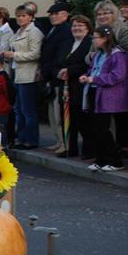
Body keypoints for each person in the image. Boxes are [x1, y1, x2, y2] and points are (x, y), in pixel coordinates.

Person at [80, 26, 126, 172]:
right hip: (94, 91)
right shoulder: (98, 54)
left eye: (95, 38)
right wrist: (87, 76)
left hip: (108, 95)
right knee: (96, 128)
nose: (93, 41)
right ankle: (100, 159)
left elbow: (118, 75)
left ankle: (116, 161)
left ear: (105, 38)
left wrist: (95, 79)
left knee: (103, 128)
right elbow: (93, 69)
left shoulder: (117, 55)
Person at [3, 5, 43, 149]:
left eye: (24, 16)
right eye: (18, 16)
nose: (20, 18)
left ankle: (31, 140)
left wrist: (14, 55)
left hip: (28, 75)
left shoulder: (34, 32)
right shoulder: (18, 32)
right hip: (17, 74)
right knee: (19, 109)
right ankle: (21, 137)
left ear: (31, 17)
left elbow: (35, 53)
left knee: (28, 110)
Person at [55, 15, 93, 159]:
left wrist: (69, 71)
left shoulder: (89, 42)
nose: (76, 28)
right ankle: (70, 148)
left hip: (80, 85)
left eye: (80, 25)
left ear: (88, 27)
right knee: (66, 119)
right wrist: (58, 72)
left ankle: (89, 149)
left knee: (82, 119)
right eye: (74, 26)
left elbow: (87, 63)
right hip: (65, 86)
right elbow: (58, 62)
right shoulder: (68, 42)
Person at [39, 1, 74, 154]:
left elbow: (60, 55)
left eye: (56, 13)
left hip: (57, 76)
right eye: (51, 14)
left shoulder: (66, 30)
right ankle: (58, 140)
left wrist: (50, 71)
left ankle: (65, 143)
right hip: (50, 76)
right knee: (52, 112)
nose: (53, 16)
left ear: (65, 14)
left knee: (59, 113)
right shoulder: (53, 30)